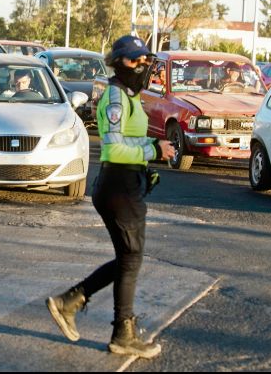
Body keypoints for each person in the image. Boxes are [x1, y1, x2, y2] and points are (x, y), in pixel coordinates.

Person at [45, 35, 175, 359]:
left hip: (124, 185)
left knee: (128, 259)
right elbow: (114, 146)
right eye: (137, 60)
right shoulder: (116, 98)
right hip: (118, 188)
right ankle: (119, 330)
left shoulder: (129, 96)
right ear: (120, 63)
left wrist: (145, 165)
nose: (144, 66)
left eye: (146, 60)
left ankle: (74, 304)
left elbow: (127, 145)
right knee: (131, 259)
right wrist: (154, 149)